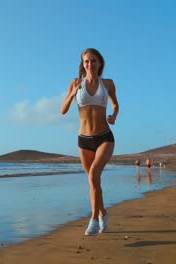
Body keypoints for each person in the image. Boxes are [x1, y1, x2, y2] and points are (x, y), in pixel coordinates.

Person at [61, 48, 119, 236]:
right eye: (86, 61)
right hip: (84, 139)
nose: (90, 64)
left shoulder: (108, 83)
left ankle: (93, 219)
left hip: (104, 136)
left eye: (93, 61)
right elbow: (63, 110)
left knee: (93, 175)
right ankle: (103, 212)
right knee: (93, 182)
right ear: (82, 64)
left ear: (99, 63)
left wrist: (114, 115)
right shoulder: (76, 83)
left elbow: (115, 104)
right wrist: (72, 93)